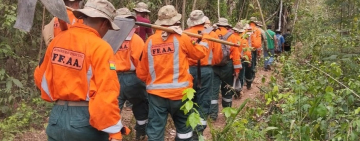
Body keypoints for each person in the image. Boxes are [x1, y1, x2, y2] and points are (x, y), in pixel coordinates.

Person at [34, 0, 129, 141]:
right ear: (104, 23)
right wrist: (114, 131)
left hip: (56, 119)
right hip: (85, 121)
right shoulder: (101, 47)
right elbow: (107, 92)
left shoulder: (57, 40)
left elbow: (40, 78)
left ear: (84, 17)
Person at [136, 5, 208, 141]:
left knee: (155, 131)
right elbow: (199, 54)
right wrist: (203, 40)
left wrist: (155, 82)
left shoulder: (149, 42)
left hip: (156, 96)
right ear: (175, 22)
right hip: (180, 94)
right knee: (184, 130)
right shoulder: (182, 38)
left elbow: (141, 73)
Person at [185, 10, 223, 140]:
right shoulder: (212, 34)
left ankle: (187, 130)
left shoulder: (184, 34)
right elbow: (218, 57)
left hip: (187, 71)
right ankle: (198, 132)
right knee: (203, 101)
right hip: (206, 71)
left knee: (189, 101)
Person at [114, 8, 148, 140]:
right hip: (132, 77)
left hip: (114, 77)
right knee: (140, 105)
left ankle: (113, 135)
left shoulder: (109, 38)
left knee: (114, 108)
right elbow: (141, 62)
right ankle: (141, 133)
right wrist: (143, 80)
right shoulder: (135, 40)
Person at [209, 18, 242, 121]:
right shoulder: (232, 36)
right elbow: (236, 55)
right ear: (227, 27)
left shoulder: (212, 34)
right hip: (228, 65)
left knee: (213, 91)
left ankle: (213, 115)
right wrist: (237, 70)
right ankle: (227, 113)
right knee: (227, 89)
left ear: (218, 25)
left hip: (214, 66)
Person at [232, 22, 252, 98]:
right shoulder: (243, 40)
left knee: (232, 76)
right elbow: (247, 52)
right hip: (241, 60)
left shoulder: (230, 37)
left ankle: (231, 90)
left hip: (231, 61)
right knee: (240, 76)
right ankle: (238, 92)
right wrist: (249, 60)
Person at [247, 17, 262, 89]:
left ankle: (244, 81)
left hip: (244, 50)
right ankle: (249, 82)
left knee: (245, 65)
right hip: (253, 50)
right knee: (252, 65)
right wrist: (259, 52)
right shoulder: (257, 30)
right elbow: (258, 44)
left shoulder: (245, 29)